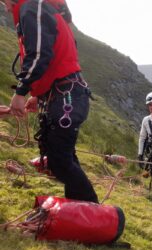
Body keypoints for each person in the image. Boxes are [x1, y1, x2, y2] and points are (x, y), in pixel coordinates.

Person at [2, 0, 98, 203]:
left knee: (59, 160)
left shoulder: (30, 8)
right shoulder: (44, 9)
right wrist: (38, 94)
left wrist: (21, 92)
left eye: (4, 2)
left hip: (66, 97)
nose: (6, 8)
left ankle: (92, 209)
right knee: (64, 157)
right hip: (65, 94)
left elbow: (39, 54)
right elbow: (56, 53)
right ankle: (81, 211)